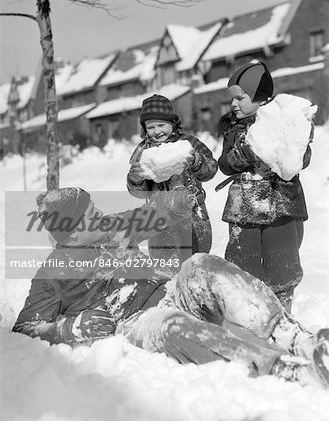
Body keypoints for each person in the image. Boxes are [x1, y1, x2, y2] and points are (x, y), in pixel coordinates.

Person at [12, 187, 329, 389]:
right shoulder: (52, 272)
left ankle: (299, 340)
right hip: (136, 323)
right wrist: (70, 327)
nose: (99, 215)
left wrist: (178, 201)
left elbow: (150, 215)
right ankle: (280, 370)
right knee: (170, 326)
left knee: (201, 264)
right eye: (90, 213)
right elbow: (26, 327)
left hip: (171, 292)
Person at [217, 62, 312, 312]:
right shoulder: (234, 129)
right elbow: (225, 164)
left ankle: (282, 311)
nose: (234, 104)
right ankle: (247, 311)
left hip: (282, 203)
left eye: (240, 97)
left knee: (282, 259)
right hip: (245, 204)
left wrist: (299, 139)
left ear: (260, 97)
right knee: (242, 259)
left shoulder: (285, 121)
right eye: (232, 99)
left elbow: (301, 160)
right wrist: (246, 151)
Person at [127, 94, 218, 265]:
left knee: (196, 259)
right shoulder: (143, 152)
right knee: (166, 264)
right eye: (151, 127)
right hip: (159, 218)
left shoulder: (188, 143)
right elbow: (139, 193)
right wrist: (135, 178)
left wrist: (197, 161)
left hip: (192, 213)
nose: (157, 131)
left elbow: (211, 169)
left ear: (173, 123)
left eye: (162, 125)